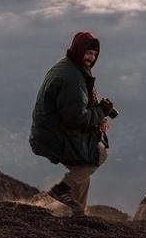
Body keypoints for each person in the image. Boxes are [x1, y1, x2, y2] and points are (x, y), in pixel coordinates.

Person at [29, 31, 114, 216]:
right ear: (78, 51)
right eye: (88, 53)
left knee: (81, 171)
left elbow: (74, 111)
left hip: (49, 131)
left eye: (94, 54)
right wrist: (100, 112)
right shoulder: (72, 79)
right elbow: (77, 118)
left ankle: (78, 213)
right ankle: (60, 190)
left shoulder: (69, 68)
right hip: (54, 136)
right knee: (97, 155)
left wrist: (99, 115)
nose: (91, 58)